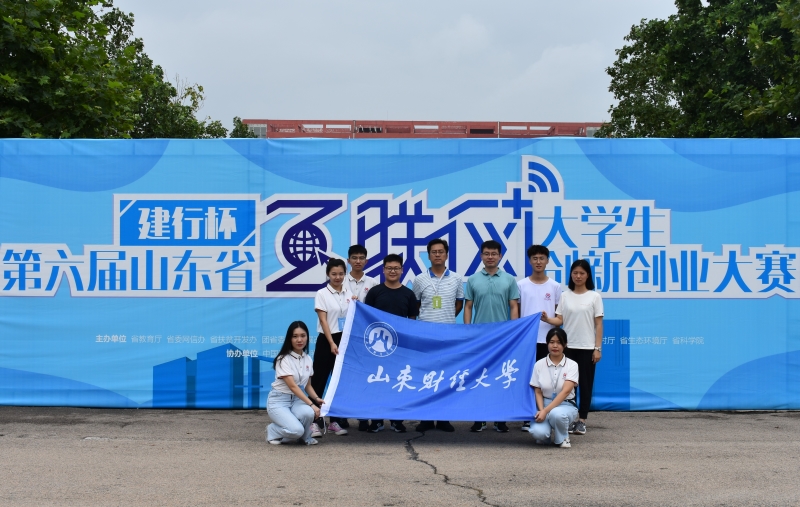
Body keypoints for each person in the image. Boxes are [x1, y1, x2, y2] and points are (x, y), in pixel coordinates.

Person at [542, 259, 603, 436]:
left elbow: (599, 325)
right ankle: (569, 418)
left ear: (588, 275)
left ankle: (582, 420)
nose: (578, 276)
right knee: (567, 386)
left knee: (585, 384)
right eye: (575, 273)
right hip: (567, 348)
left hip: (587, 348)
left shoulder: (594, 297)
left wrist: (597, 348)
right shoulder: (565, 296)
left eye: (582, 273)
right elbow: (559, 320)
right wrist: (547, 319)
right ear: (571, 275)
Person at [464, 240, 520, 433]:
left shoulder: (509, 279)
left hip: (502, 337)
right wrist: (468, 331)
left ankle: (500, 419)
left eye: (494, 254)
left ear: (500, 256)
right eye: (486, 254)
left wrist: (513, 331)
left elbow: (513, 306)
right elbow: (468, 306)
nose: (490, 257)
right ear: (481, 256)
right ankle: (479, 419)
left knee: (501, 377)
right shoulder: (473, 279)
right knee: (479, 377)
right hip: (479, 337)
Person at [412, 238, 464, 433]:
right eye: (433, 252)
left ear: (446, 255)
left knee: (446, 376)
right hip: (425, 336)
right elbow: (416, 305)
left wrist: (446, 318)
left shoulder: (456, 278)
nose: (437, 255)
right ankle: (425, 418)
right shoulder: (419, 279)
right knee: (426, 376)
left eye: (441, 251)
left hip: (448, 335)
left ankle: (443, 418)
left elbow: (459, 303)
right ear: (429, 255)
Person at [364, 253, 419, 433]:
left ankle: (397, 420)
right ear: (383, 270)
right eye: (389, 268)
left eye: (396, 268)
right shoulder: (375, 292)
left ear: (402, 270)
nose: (393, 271)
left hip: (400, 347)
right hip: (377, 347)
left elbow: (412, 320)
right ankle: (377, 420)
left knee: (397, 383)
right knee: (378, 383)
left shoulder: (408, 294)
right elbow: (366, 318)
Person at [517, 244, 561, 432]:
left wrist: (548, 321)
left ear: (547, 261)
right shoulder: (521, 285)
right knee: (528, 379)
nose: (538, 262)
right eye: (534, 258)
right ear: (529, 261)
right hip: (527, 341)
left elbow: (559, 316)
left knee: (546, 380)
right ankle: (528, 416)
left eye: (542, 258)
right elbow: (517, 313)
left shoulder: (555, 286)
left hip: (547, 341)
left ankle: (546, 414)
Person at [310, 258, 352, 438]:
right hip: (327, 340)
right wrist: (331, 343)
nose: (337, 277)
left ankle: (334, 421)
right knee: (319, 381)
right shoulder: (322, 293)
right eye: (334, 274)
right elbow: (323, 320)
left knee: (337, 383)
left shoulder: (349, 293)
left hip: (344, 341)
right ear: (328, 274)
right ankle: (313, 422)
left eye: (341, 274)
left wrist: (355, 302)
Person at [266, 321, 323, 446]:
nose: (299, 340)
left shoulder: (308, 358)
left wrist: (316, 399)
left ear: (307, 337)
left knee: (309, 413)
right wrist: (311, 404)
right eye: (295, 336)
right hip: (279, 400)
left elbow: (307, 385)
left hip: (296, 400)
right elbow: (293, 386)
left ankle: (304, 438)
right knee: (296, 430)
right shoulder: (283, 359)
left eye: (303, 336)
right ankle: (273, 430)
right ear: (289, 339)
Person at [346, 244, 379, 432]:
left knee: (365, 377)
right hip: (344, 335)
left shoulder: (373, 283)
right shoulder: (341, 280)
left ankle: (364, 417)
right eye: (354, 258)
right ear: (348, 260)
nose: (358, 261)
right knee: (345, 376)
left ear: (366, 261)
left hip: (366, 337)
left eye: (361, 258)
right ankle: (339, 417)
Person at [528, 327, 578, 448]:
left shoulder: (572, 365)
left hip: (566, 405)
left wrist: (546, 411)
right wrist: (542, 410)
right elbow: (537, 391)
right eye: (551, 342)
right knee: (538, 433)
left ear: (565, 344)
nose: (555, 346)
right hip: (544, 403)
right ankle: (545, 435)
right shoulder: (539, 364)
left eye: (559, 342)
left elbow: (566, 391)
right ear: (547, 343)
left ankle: (563, 437)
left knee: (557, 414)